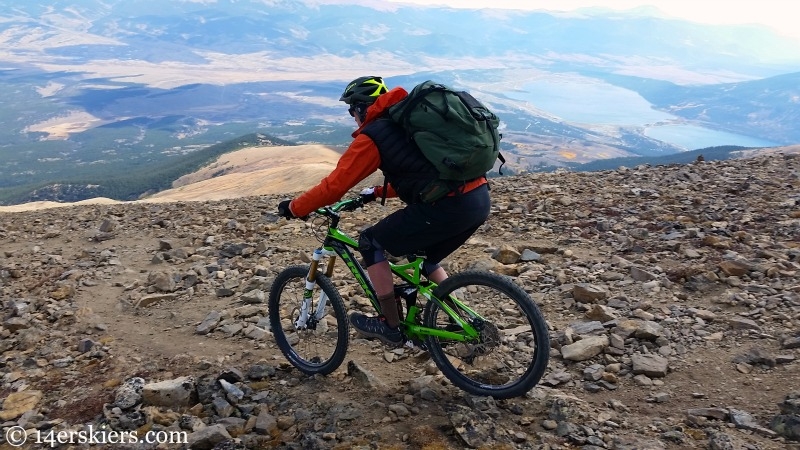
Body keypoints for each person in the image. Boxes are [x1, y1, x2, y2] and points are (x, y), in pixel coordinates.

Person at [277, 76, 491, 347]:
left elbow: (334, 187)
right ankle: (460, 319)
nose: (352, 116)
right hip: (477, 198)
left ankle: (389, 324)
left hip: (448, 205)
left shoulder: (373, 135)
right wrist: (377, 192)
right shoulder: (407, 125)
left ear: (362, 108)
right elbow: (423, 175)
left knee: (370, 241)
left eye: (351, 109)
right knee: (421, 256)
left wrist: (295, 207)